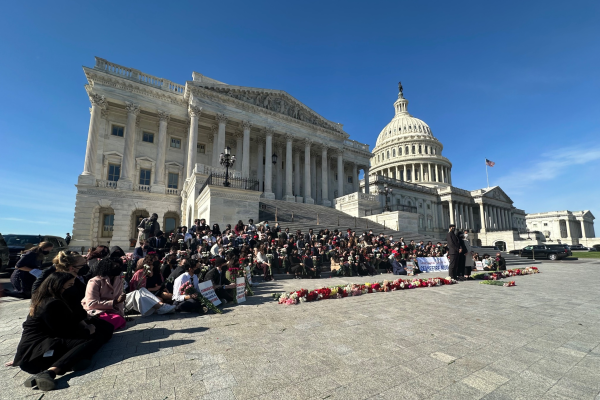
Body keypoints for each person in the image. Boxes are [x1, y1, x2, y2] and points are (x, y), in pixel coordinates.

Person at [14, 272, 109, 392]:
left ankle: (76, 360)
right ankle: (51, 372)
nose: (71, 288)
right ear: (58, 285)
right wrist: (87, 330)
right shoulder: (51, 303)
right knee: (90, 340)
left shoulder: (46, 299)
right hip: (37, 355)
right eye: (69, 285)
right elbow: (63, 331)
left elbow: (71, 321)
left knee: (99, 332)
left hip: (39, 350)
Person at [82, 258, 127, 330]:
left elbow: (119, 300)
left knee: (119, 319)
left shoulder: (118, 279)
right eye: (115, 266)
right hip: (96, 311)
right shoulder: (95, 281)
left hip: (112, 311)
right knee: (107, 320)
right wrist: (114, 302)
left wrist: (122, 315)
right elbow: (91, 304)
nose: (118, 268)